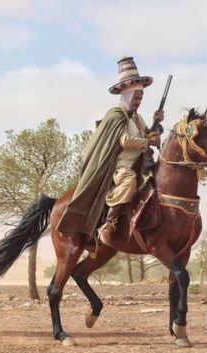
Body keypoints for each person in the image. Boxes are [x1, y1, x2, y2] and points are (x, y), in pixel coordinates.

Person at [57, 56, 164, 243]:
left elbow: (146, 134)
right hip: (122, 166)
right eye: (136, 98)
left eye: (140, 98)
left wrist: (156, 123)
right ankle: (108, 223)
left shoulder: (137, 118)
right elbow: (123, 140)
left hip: (141, 165)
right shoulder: (116, 115)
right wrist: (147, 142)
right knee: (128, 183)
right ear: (127, 96)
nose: (139, 101)